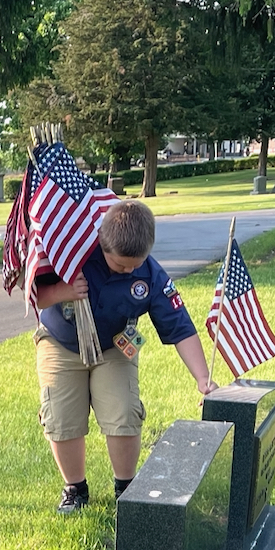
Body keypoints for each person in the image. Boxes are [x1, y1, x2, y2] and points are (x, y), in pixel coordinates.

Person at [33, 199, 219, 513]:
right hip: (61, 342)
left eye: (136, 263)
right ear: (103, 245)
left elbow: (180, 326)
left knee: (123, 413)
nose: (130, 270)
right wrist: (62, 291)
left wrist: (203, 378)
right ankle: (75, 489)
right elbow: (33, 293)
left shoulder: (150, 275)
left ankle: (126, 488)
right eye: (121, 265)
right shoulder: (71, 250)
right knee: (62, 418)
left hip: (114, 349)